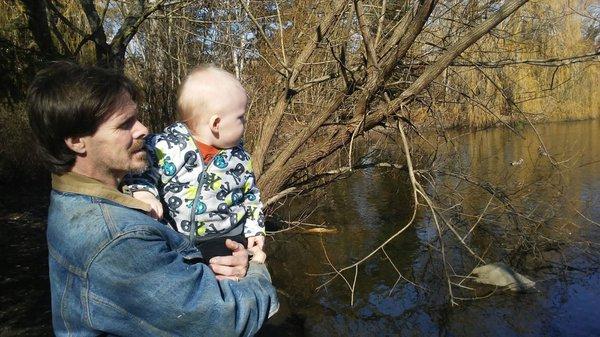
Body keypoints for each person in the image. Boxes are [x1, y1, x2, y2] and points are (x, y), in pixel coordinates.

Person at [27, 61, 278, 336]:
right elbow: (225, 321)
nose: (144, 129)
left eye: (136, 117)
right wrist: (255, 266)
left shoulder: (72, 198)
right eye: (125, 124)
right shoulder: (118, 238)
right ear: (76, 141)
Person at [123, 65, 265, 261]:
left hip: (225, 236)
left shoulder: (240, 158)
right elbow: (142, 173)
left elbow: (251, 196)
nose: (245, 122)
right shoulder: (165, 148)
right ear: (216, 124)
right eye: (240, 117)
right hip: (174, 233)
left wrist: (255, 230)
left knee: (225, 269)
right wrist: (144, 194)